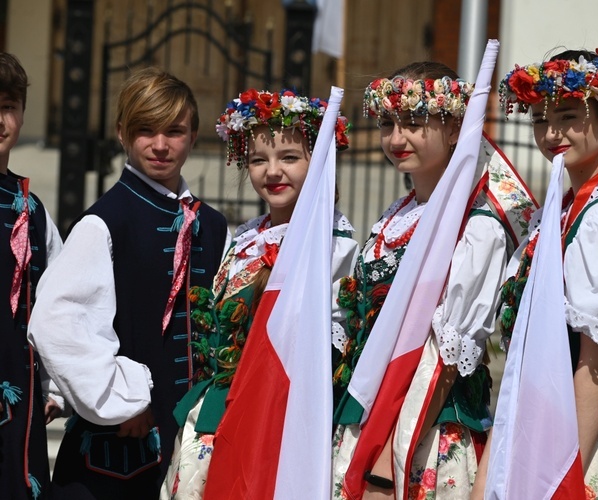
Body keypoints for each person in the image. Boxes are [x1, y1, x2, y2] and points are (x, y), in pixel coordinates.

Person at [331, 62, 535, 499]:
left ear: (457, 128)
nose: (396, 139)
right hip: (368, 417)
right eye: (387, 124)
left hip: (423, 435)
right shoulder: (399, 211)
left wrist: (387, 456)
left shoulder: (478, 225)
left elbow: (447, 355)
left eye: (414, 124)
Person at [27, 67, 230, 499]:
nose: (160, 145)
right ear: (122, 133)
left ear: (194, 135)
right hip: (116, 456)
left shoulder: (212, 225)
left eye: (174, 131)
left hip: (191, 447)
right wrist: (123, 399)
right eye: (145, 130)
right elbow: (55, 322)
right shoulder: (104, 222)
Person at [475, 49, 598, 499]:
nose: (552, 133)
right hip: (544, 437)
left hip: (584, 444)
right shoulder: (561, 211)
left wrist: (560, 477)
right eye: (540, 120)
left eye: (566, 115)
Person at [160, 87, 359, 499]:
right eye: (257, 160)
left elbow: (319, 350)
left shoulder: (331, 243)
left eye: (289, 158)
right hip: (215, 407)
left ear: (319, 160)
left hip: (274, 413)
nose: (273, 172)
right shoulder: (247, 234)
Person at [0, 52, 63, 500]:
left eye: (7, 106)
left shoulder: (32, 210)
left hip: (16, 395)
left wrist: (53, 386)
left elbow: (56, 304)